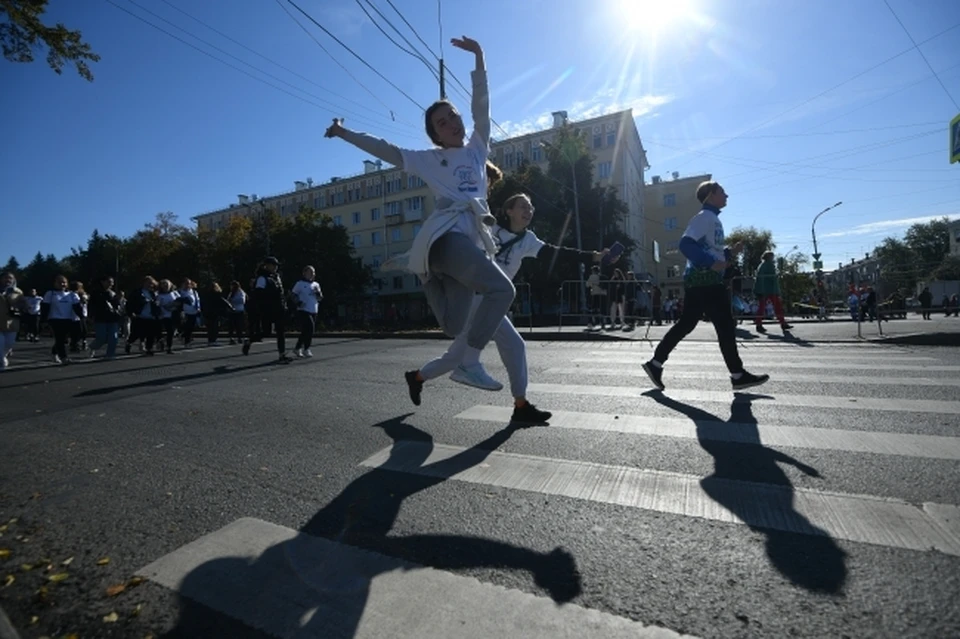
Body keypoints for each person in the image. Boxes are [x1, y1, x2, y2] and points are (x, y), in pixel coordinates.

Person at [325, 36, 514, 385]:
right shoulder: (428, 160)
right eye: (442, 123)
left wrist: (479, 59)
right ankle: (469, 363)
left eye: (453, 115)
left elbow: (481, 108)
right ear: (435, 136)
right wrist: (344, 132)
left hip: (469, 243)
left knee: (454, 325)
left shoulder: (476, 149)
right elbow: (385, 149)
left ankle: (422, 272)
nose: (452, 123)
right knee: (503, 290)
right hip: (448, 237)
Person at [405, 191, 606, 423]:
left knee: (457, 355)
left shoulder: (529, 240)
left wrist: (593, 257)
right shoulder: (488, 229)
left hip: (490, 301)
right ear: (509, 211)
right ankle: (520, 405)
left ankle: (417, 377)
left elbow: (556, 253)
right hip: (476, 295)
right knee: (514, 345)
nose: (528, 211)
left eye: (530, 208)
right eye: (522, 206)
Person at [641, 181, 769, 391]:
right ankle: (737, 375)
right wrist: (711, 263)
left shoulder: (712, 219)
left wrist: (730, 252)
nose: (726, 196)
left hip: (699, 280)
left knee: (686, 324)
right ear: (710, 195)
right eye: (722, 192)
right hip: (705, 280)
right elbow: (685, 244)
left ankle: (655, 364)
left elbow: (711, 250)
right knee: (725, 325)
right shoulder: (704, 218)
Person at [243, 257, 291, 363]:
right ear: (267, 266)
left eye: (276, 265)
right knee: (266, 332)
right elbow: (259, 294)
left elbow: (280, 292)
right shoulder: (262, 278)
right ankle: (249, 340)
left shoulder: (276, 277)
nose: (275, 267)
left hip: (279, 308)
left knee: (280, 331)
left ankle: (282, 355)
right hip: (268, 309)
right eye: (273, 265)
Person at [41, 275, 83, 365]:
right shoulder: (50, 293)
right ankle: (64, 358)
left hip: (69, 319)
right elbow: (45, 307)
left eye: (64, 282)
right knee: (60, 339)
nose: (62, 284)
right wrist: (43, 320)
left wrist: (82, 317)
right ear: (55, 283)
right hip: (55, 319)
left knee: (73, 335)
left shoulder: (72, 294)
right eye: (59, 282)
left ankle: (55, 352)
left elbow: (77, 307)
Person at [753, 251, 792, 333]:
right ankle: (782, 323)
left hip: (762, 289)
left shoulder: (761, 265)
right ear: (769, 257)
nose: (773, 258)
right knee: (777, 306)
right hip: (770, 289)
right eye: (772, 256)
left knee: (762, 307)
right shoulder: (770, 265)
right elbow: (773, 278)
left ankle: (759, 324)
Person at [291, 265, 323, 358]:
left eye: (313, 272)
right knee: (310, 327)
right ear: (304, 273)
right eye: (310, 272)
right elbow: (293, 295)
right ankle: (306, 348)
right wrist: (298, 302)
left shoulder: (316, 284)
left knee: (305, 330)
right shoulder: (299, 284)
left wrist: (317, 293)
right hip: (303, 310)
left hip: (313, 309)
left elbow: (320, 298)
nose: (312, 274)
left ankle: (297, 348)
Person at [88, 275, 121, 360]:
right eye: (109, 282)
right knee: (101, 338)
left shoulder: (113, 293)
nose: (111, 284)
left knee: (114, 337)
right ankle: (92, 347)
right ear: (102, 282)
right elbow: (91, 305)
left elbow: (117, 305)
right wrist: (90, 316)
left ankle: (110, 354)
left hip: (112, 318)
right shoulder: (95, 293)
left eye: (112, 282)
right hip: (100, 318)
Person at [0, 272, 24, 370]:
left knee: (9, 343)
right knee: (0, 342)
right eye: (5, 278)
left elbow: (22, 304)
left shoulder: (18, 292)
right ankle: (1, 360)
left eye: (10, 278)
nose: (8, 280)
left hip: (11, 321)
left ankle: (3, 356)